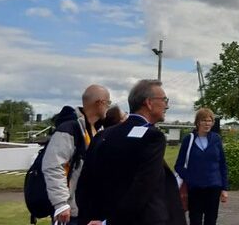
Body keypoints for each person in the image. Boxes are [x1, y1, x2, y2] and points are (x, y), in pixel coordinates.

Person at [76, 79, 186, 225]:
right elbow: (143, 188)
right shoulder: (153, 137)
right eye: (164, 99)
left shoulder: (104, 135)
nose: (167, 105)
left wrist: (91, 218)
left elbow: (85, 182)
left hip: (99, 217)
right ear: (148, 103)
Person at [42, 84, 111, 225]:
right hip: (70, 212)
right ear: (100, 103)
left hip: (88, 211)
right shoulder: (69, 129)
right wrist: (61, 204)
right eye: (108, 103)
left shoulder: (96, 130)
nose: (108, 107)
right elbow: (53, 166)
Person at [174, 108, 228, 225]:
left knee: (211, 220)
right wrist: (190, 177)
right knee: (195, 219)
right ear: (198, 122)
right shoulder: (189, 140)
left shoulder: (216, 139)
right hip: (195, 188)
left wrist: (224, 188)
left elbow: (222, 164)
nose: (207, 123)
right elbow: (178, 165)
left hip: (214, 187)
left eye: (210, 121)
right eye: (204, 120)